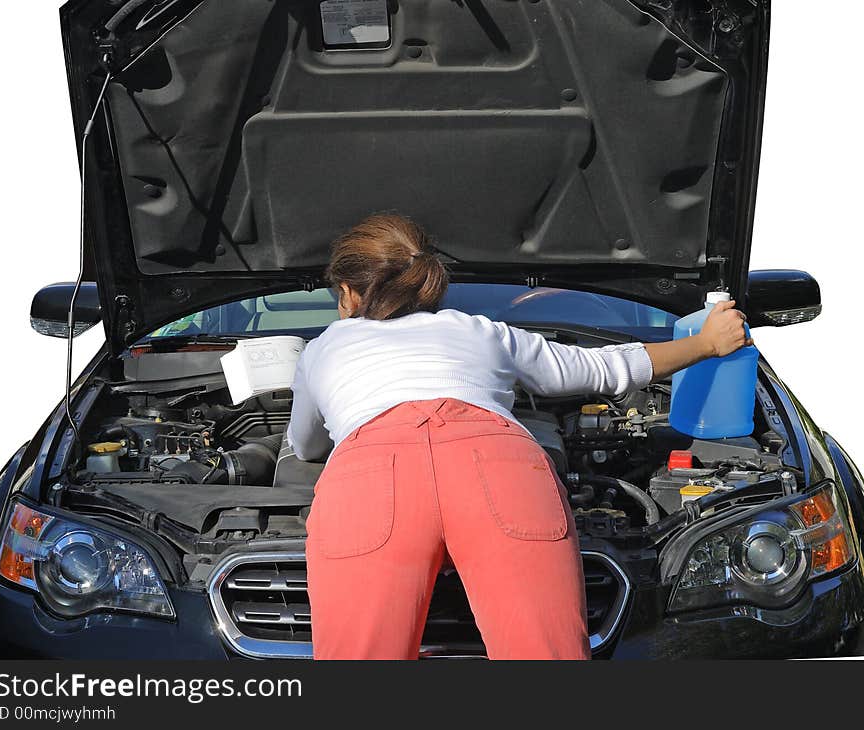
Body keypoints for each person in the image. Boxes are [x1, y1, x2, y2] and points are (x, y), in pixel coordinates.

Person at [288, 214, 751, 660]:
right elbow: (603, 368)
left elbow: (306, 445)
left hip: (369, 481)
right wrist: (707, 342)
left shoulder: (323, 348)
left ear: (347, 293)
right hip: (497, 465)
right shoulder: (480, 332)